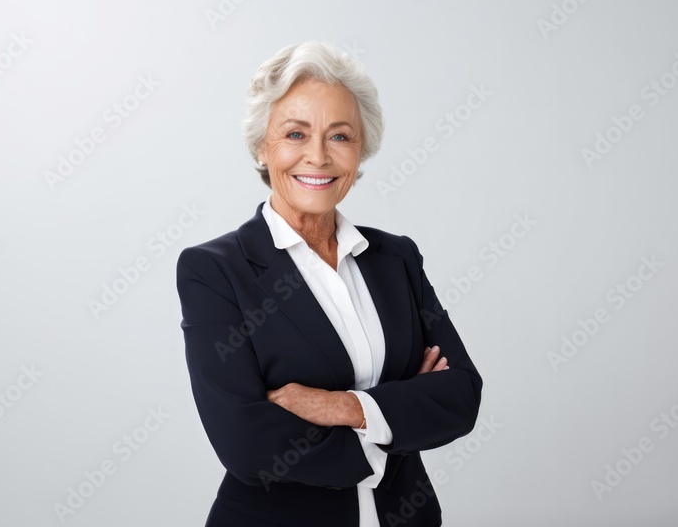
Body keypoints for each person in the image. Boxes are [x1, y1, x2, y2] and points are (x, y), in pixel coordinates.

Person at [176, 41, 483, 527]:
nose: (317, 156)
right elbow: (247, 444)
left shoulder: (396, 258)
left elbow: (461, 396)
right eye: (295, 133)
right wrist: (397, 420)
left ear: (360, 151)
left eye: (339, 136)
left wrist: (340, 407)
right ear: (262, 147)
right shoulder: (215, 270)